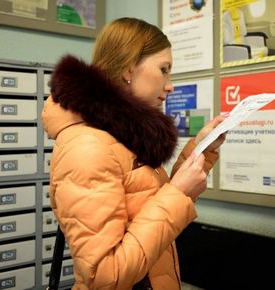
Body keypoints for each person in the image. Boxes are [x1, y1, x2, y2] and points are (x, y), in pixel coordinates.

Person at [41, 17, 226, 290]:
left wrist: (200, 150)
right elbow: (105, 276)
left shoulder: (121, 135)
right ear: (129, 68)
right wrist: (177, 193)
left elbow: (146, 203)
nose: (170, 84)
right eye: (164, 69)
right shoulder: (87, 147)